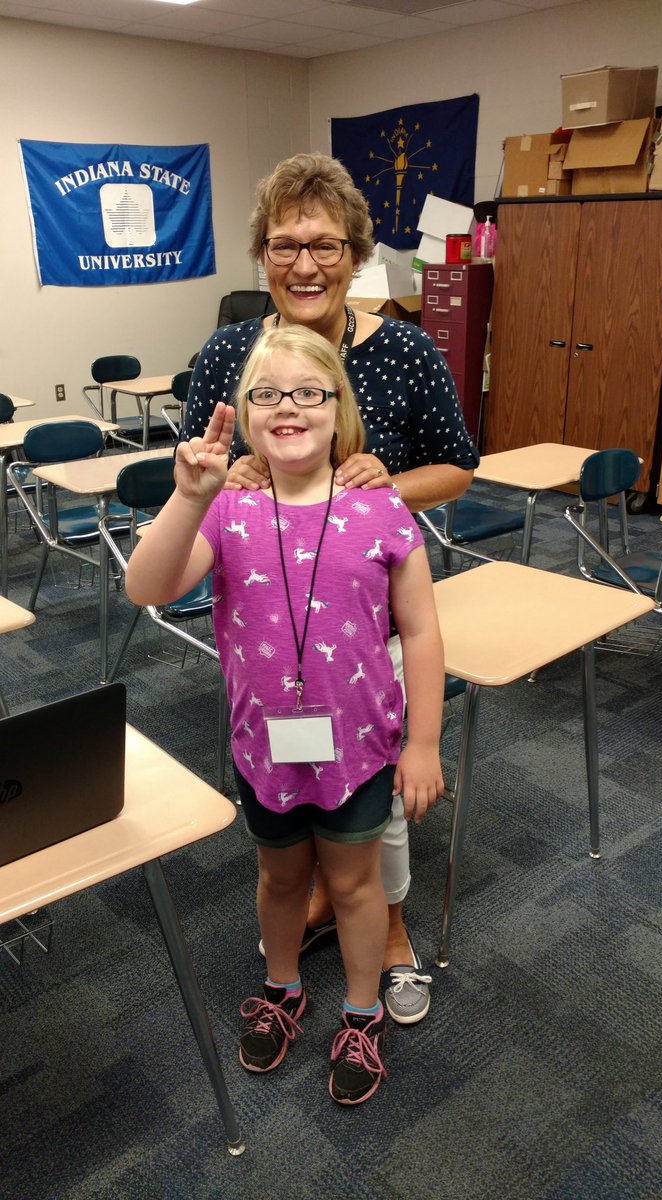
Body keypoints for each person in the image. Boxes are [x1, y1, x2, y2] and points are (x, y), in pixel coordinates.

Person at [182, 151, 479, 1025]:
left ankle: (384, 925)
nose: (303, 265)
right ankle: (317, 899)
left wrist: (383, 487)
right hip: (272, 626)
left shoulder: (406, 351)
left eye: (323, 245)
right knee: (289, 783)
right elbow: (205, 466)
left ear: (356, 252)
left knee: (372, 805)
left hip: (363, 625)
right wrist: (229, 479)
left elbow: (457, 467)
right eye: (282, 245)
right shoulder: (232, 353)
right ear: (261, 255)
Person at [128, 325, 445, 1104]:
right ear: (243, 413)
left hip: (362, 750)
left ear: (340, 410)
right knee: (278, 878)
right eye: (266, 394)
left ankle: (361, 1013)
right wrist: (188, 495)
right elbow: (145, 588)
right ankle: (282, 987)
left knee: (355, 884)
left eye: (308, 392)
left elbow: (423, 631)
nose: (288, 407)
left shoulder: (381, 510)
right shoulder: (227, 512)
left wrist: (424, 743)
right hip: (263, 750)